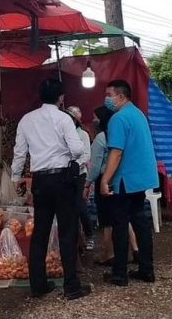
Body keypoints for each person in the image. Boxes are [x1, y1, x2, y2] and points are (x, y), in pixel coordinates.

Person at [11, 79, 91, 301]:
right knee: (67, 231)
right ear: (61, 98)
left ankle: (38, 285)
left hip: (40, 181)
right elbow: (77, 149)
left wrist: (16, 177)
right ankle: (71, 286)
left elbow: (19, 152)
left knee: (40, 233)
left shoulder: (27, 120)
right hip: (63, 180)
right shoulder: (63, 118)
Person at [100, 79, 159, 286]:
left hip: (125, 179)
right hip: (141, 178)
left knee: (120, 225)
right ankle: (146, 269)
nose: (107, 99)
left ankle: (120, 273)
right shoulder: (138, 114)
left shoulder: (118, 119)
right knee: (140, 223)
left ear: (121, 95)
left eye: (109, 95)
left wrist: (105, 179)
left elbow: (116, 153)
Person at [87, 106, 139, 266]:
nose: (94, 121)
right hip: (121, 179)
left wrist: (87, 183)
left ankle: (109, 255)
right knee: (124, 217)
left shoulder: (101, 138)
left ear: (101, 120)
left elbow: (95, 166)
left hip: (105, 179)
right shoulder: (120, 134)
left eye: (96, 118)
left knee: (107, 221)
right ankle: (135, 250)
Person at [65, 106, 94, 251]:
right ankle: (74, 237)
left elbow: (87, 154)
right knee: (67, 207)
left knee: (80, 206)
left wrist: (77, 163)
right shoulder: (62, 133)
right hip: (65, 174)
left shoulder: (83, 135)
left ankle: (89, 235)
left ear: (75, 120)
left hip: (80, 173)